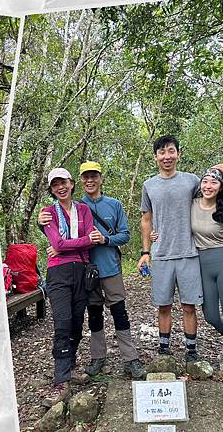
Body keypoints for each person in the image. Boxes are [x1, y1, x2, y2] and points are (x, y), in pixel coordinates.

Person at [38, 161, 145, 379]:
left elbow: (125, 235)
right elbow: (59, 234)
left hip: (110, 267)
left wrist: (105, 239)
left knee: (119, 313)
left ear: (100, 178)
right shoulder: (75, 206)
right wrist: (41, 226)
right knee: (94, 314)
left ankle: (130, 358)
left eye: (94, 176)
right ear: (80, 180)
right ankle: (98, 357)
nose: (90, 180)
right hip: (86, 271)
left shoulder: (113, 205)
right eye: (86, 176)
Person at [153, 167, 223, 368]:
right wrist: (156, 233)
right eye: (205, 181)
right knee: (210, 315)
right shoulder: (192, 203)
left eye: (214, 182)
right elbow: (169, 216)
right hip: (200, 263)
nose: (208, 186)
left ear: (221, 187)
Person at [39, 167, 102, 408]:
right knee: (62, 322)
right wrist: (84, 241)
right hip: (58, 272)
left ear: (72, 183)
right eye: (55, 185)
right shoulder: (48, 213)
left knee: (77, 321)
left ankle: (71, 363)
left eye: (63, 182)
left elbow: (72, 243)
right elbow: (58, 243)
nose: (60, 188)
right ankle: (61, 379)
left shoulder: (83, 210)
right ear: (52, 189)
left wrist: (69, 245)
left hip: (82, 271)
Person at [137, 135, 204, 362]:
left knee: (189, 306)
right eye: (162, 152)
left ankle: (191, 349)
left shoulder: (192, 181)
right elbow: (146, 219)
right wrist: (145, 252)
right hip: (161, 254)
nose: (167, 156)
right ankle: (164, 348)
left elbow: (207, 204)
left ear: (178, 153)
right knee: (163, 305)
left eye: (171, 151)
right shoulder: (149, 185)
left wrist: (222, 173)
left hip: (189, 252)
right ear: (156, 157)